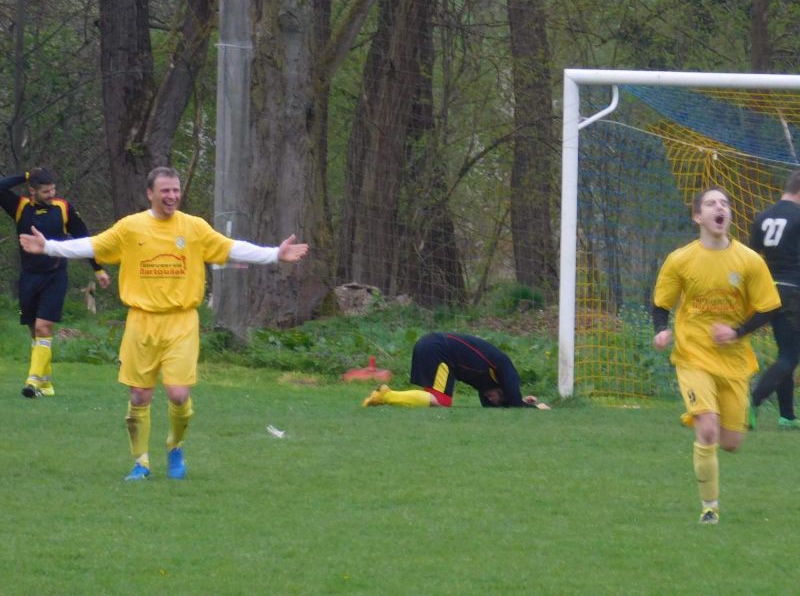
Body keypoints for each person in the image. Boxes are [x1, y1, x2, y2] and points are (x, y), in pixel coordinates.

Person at [19, 166, 309, 481]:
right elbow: (92, 245)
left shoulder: (194, 227)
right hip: (141, 321)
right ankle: (141, 463)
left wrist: (274, 255)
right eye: (165, 191)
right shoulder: (131, 228)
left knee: (178, 394)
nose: (172, 196)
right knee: (139, 397)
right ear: (150, 194)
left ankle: (175, 445)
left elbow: (231, 248)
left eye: (175, 190)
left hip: (181, 321)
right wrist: (48, 246)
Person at [652, 186, 780, 525]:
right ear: (698, 216)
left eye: (724, 203)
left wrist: (736, 332)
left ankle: (724, 411)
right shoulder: (681, 259)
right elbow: (662, 302)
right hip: (693, 353)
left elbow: (768, 309)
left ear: (728, 216)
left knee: (731, 443)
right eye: (711, 204)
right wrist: (661, 330)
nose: (719, 208)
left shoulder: (749, 261)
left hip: (734, 361)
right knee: (707, 429)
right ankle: (710, 507)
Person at [0, 168, 111, 398]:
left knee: (44, 328)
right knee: (35, 333)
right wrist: (25, 174)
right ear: (32, 191)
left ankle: (31, 382)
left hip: (55, 276)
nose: (51, 194)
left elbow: (83, 238)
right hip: (29, 278)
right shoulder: (20, 207)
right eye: (45, 191)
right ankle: (46, 383)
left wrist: (98, 268)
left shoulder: (64, 208)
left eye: (53, 190)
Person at [362, 332, 550, 409]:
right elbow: (515, 405)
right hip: (437, 348)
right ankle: (386, 395)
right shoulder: (505, 368)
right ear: (503, 387)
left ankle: (387, 397)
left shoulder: (485, 381)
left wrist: (522, 400)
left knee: (432, 400)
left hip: (432, 345)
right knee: (442, 401)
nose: (491, 399)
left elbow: (502, 406)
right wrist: (536, 408)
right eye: (497, 397)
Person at [748, 170, 800, 430]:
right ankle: (753, 398)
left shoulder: (763, 217)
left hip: (769, 292)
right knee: (791, 355)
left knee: (785, 352)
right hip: (794, 293)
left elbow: (751, 258)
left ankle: (787, 416)